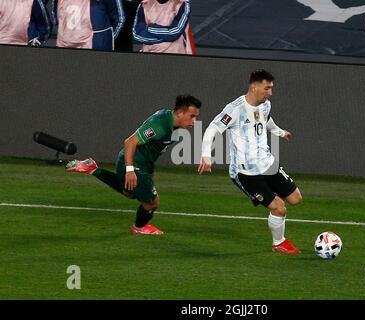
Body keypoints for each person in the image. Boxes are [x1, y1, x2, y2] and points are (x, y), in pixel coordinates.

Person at [198, 70, 303, 255]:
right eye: (267, 88)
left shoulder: (265, 105)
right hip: (246, 173)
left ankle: (271, 196)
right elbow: (212, 129)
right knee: (280, 208)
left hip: (268, 163)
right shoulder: (235, 109)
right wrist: (206, 155)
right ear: (254, 87)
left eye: (271, 88)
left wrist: (280, 132)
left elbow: (267, 120)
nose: (270, 93)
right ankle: (279, 242)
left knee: (296, 199)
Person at [66, 94, 202, 235]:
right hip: (134, 164)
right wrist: (131, 170)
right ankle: (139, 227)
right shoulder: (160, 125)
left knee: (129, 193)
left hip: (141, 163)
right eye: (192, 116)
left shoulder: (170, 121)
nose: (194, 120)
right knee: (152, 203)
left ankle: (92, 169)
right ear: (180, 113)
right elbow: (130, 142)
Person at [50, 0, 124, 50]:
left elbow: (118, 17)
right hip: (65, 46)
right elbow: (55, 15)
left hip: (96, 45)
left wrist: (105, 38)